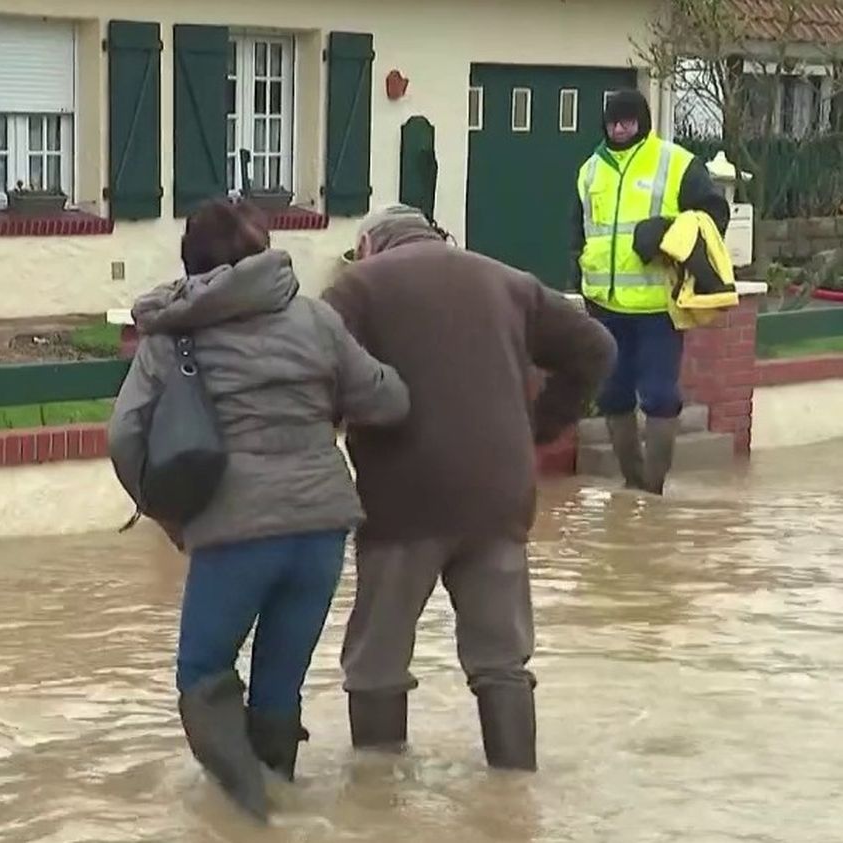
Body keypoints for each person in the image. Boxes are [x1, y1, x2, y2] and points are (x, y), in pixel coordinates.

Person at [108, 200, 408, 821]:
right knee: (279, 684)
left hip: (232, 529)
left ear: (190, 263)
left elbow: (124, 435)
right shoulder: (315, 320)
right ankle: (281, 802)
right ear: (264, 251)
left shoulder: (173, 333)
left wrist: (167, 514)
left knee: (202, 674)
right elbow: (388, 399)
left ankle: (249, 817)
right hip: (322, 528)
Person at [320, 204, 616, 772]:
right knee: (502, 657)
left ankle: (378, 806)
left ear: (367, 245)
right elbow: (596, 348)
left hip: (402, 499)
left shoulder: (356, 289)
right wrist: (540, 425)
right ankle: (512, 795)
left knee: (377, 660)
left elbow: (316, 372)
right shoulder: (507, 280)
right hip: (498, 495)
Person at [572, 88, 730, 494]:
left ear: (643, 121)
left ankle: (653, 488)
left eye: (628, 121)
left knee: (659, 394)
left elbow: (714, 216)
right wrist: (578, 271)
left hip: (659, 306)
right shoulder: (589, 170)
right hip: (604, 305)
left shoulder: (675, 162)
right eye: (613, 122)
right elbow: (580, 229)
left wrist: (665, 231)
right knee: (612, 394)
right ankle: (633, 485)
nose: (620, 128)